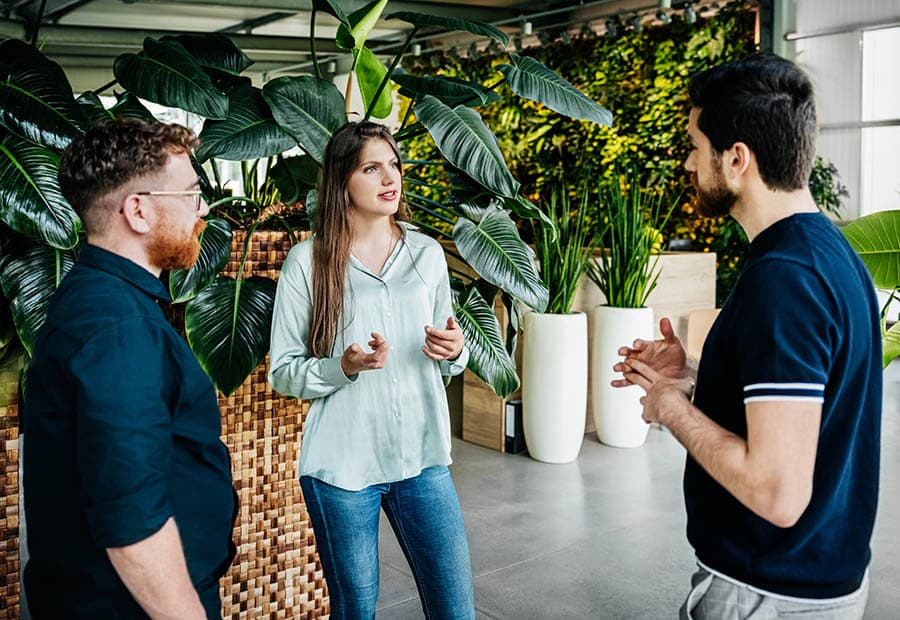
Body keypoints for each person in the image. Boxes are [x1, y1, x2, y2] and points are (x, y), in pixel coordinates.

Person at [614, 54, 882, 619]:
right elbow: (808, 407)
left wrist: (668, 407)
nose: (689, 162)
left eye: (695, 144)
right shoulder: (828, 254)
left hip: (768, 596)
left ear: (737, 159)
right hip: (811, 581)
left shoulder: (784, 280)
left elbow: (776, 493)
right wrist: (694, 379)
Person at [23, 118, 236, 619]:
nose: (202, 209)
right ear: (137, 210)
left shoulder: (100, 298)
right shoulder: (118, 328)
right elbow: (130, 523)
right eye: (190, 194)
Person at [269, 121, 475, 619]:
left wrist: (455, 350)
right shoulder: (307, 262)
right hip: (342, 467)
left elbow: (450, 357)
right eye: (371, 167)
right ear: (342, 181)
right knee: (355, 609)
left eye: (394, 165)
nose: (391, 178)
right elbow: (283, 371)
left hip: (421, 459)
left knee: (455, 608)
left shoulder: (427, 254)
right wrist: (343, 366)